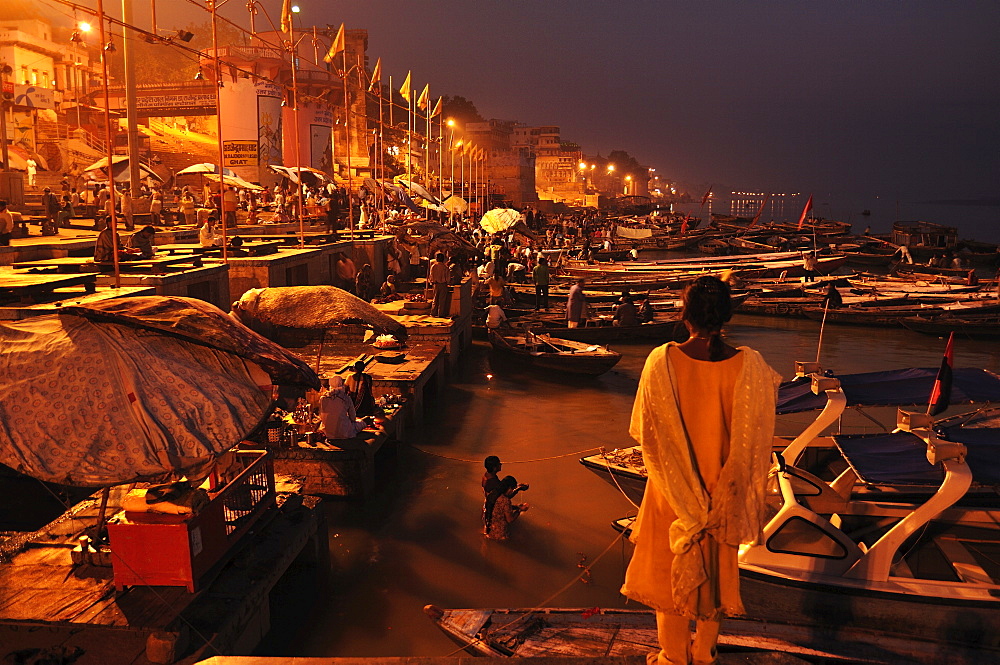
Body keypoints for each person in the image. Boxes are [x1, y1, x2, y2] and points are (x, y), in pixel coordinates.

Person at [620, 275, 781, 665]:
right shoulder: (752, 365)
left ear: (684, 313)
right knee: (714, 582)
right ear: (725, 316)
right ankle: (704, 655)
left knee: (667, 583)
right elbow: (757, 440)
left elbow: (644, 430)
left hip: (671, 494)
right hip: (722, 497)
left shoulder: (662, 360)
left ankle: (673, 657)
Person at [485, 476, 530, 541]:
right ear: (509, 488)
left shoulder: (493, 494)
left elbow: (499, 508)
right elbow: (510, 520)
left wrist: (517, 506)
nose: (512, 491)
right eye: (512, 489)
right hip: (500, 535)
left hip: (489, 531)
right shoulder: (505, 500)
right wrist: (520, 510)